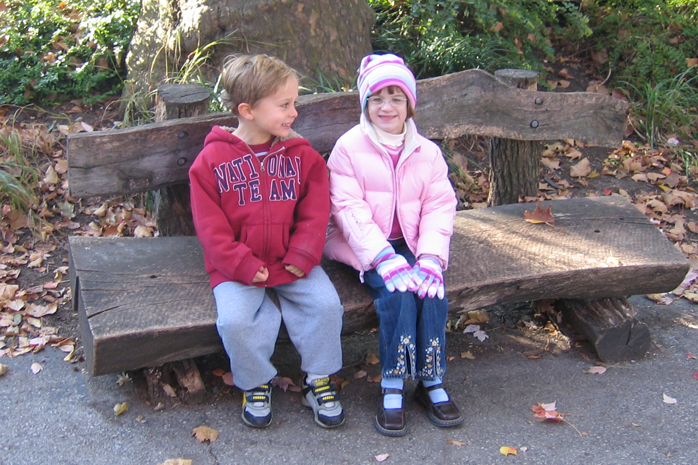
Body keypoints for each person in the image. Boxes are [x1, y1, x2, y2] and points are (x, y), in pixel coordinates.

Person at [189, 54, 345, 429]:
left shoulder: (302, 156)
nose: (294, 112)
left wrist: (304, 253)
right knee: (235, 320)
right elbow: (210, 228)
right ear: (247, 110)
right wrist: (240, 264)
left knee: (326, 305)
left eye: (294, 102)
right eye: (284, 104)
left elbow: (315, 211)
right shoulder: (210, 161)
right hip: (236, 267)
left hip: (292, 260)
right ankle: (256, 381)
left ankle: (318, 379)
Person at [324, 53, 461, 436]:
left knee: (431, 293)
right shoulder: (349, 148)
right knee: (398, 296)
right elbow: (347, 208)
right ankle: (393, 382)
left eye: (396, 98)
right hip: (364, 245)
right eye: (377, 98)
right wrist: (382, 256)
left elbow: (439, 206)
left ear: (409, 105)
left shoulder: (427, 152)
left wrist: (430, 256)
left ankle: (431, 380)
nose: (386, 107)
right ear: (365, 103)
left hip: (413, 242)